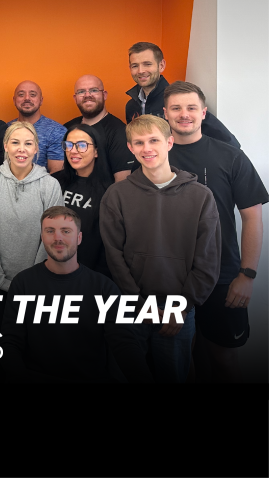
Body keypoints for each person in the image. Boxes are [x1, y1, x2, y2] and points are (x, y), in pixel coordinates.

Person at [100, 114, 221, 383]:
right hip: (132, 307)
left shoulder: (201, 196)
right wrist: (139, 304)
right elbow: (114, 254)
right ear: (130, 148)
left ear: (169, 142)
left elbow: (208, 259)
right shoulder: (116, 195)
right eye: (139, 143)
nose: (147, 148)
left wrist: (183, 306)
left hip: (178, 309)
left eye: (154, 140)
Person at [164, 81, 268, 382]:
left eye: (191, 107)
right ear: (165, 114)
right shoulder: (154, 156)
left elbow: (252, 218)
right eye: (176, 108)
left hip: (223, 276)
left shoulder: (230, 156)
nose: (184, 114)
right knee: (181, 356)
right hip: (170, 278)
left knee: (224, 358)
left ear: (204, 112)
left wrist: (246, 275)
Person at [0, 207, 153, 383]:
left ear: (79, 238)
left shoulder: (103, 288)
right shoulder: (23, 283)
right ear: (42, 237)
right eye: (50, 231)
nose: (57, 238)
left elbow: (124, 344)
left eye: (66, 231)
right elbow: (11, 342)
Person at [0, 120, 63, 380]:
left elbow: (52, 237)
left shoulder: (50, 185)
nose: (21, 149)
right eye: (15, 142)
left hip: (35, 286)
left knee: (29, 351)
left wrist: (30, 280)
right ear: (5, 146)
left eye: (28, 143)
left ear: (37, 148)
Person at [125, 42, 239, 148]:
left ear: (161, 65)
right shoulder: (131, 107)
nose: (140, 71)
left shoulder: (179, 100)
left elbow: (230, 144)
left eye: (147, 64)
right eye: (135, 66)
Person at [52, 124, 113, 279]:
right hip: (53, 267)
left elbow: (108, 244)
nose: (73, 151)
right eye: (69, 145)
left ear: (96, 151)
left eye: (82, 145)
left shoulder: (109, 191)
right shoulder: (54, 182)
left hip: (89, 275)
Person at [63, 74, 133, 182]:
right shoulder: (66, 129)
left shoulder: (120, 132)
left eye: (94, 90)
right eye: (81, 92)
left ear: (104, 95)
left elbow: (122, 183)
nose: (87, 95)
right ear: (75, 98)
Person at [7, 80, 66, 173]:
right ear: (14, 100)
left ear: (41, 100)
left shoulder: (57, 131)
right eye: (21, 95)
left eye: (33, 95)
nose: (27, 98)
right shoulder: (5, 129)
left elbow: (56, 175)